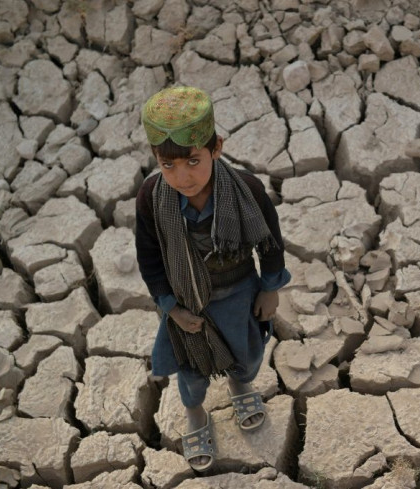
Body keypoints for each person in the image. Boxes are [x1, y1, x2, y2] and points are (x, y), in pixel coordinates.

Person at [135, 86, 291, 471]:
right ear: (156, 159)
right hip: (187, 303)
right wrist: (171, 309)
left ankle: (240, 385)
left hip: (239, 291)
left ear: (215, 148)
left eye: (192, 161)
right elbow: (150, 259)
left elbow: (270, 244)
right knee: (191, 370)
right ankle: (196, 416)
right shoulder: (152, 198)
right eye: (167, 165)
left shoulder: (246, 189)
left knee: (248, 351)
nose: (181, 176)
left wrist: (270, 291)